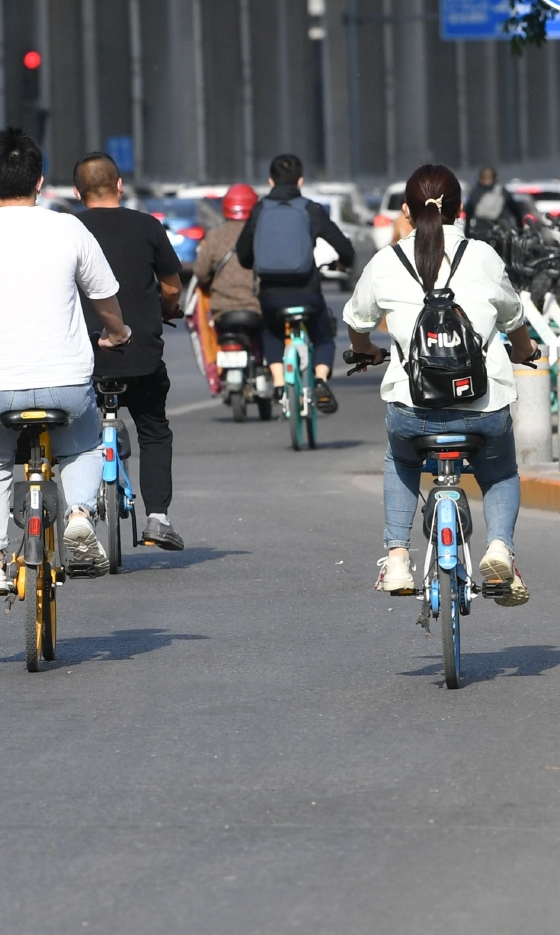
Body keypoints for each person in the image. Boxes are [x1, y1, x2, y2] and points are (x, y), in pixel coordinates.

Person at [342, 164, 540, 605]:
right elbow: (514, 320)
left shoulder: (387, 261)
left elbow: (357, 321)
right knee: (501, 473)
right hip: (483, 409)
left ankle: (396, 559)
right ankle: (500, 550)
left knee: (401, 460)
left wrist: (365, 351)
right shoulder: (483, 256)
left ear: (407, 212)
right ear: (460, 211)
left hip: (413, 412)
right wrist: (524, 352)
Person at [0, 129, 131, 592]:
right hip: (65, 385)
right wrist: (117, 333)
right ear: (41, 182)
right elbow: (104, 296)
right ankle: (80, 514)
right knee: (86, 444)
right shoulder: (69, 226)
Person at [74, 153, 186, 551]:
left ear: (77, 192)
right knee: (154, 429)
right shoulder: (147, 226)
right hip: (140, 357)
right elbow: (171, 288)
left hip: (81, 357)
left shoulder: (67, 229)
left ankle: (78, 513)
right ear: (119, 185)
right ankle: (158, 517)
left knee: (75, 438)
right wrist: (169, 309)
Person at [233, 153, 355, 415]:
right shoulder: (310, 209)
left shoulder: (260, 209)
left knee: (271, 330)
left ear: (270, 180)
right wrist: (344, 264)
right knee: (323, 334)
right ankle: (320, 380)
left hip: (271, 293)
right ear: (300, 181)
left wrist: (254, 262)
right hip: (306, 292)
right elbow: (344, 247)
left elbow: (242, 253)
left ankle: (278, 383)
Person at [191, 183, 262, 318]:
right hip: (257, 307)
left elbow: (201, 272)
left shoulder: (215, 236)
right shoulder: (262, 234)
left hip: (223, 308)